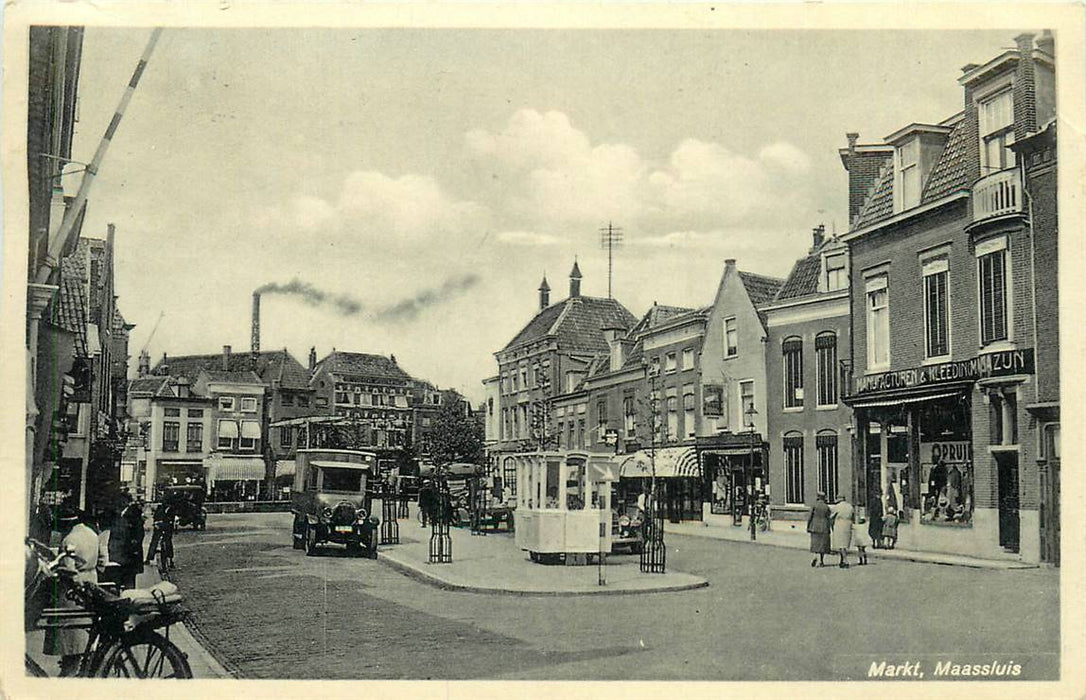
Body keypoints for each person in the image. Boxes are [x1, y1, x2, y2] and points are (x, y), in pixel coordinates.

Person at [42, 506, 100, 676]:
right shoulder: (92, 534)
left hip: (72, 592)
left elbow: (69, 570)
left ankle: (69, 671)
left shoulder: (69, 540)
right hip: (91, 582)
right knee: (84, 632)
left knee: (70, 636)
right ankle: (80, 666)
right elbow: (103, 561)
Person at [145, 499, 176, 569]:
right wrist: (156, 523)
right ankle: (149, 558)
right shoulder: (160, 509)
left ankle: (171, 560)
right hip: (158, 528)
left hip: (167, 528)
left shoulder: (171, 510)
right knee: (154, 542)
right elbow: (155, 517)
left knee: (168, 543)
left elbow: (171, 521)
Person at [828, 495, 854, 568]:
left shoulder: (837, 507)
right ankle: (841, 560)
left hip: (840, 524)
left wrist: (831, 525)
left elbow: (831, 516)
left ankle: (845, 560)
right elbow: (853, 516)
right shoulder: (850, 506)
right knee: (845, 543)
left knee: (841, 544)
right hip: (848, 524)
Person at [806, 491, 831, 567]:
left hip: (815, 526)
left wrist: (808, 526)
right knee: (822, 545)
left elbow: (810, 516)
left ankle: (815, 557)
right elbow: (828, 517)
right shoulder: (826, 507)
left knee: (815, 543)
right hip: (824, 527)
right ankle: (821, 561)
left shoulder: (814, 505)